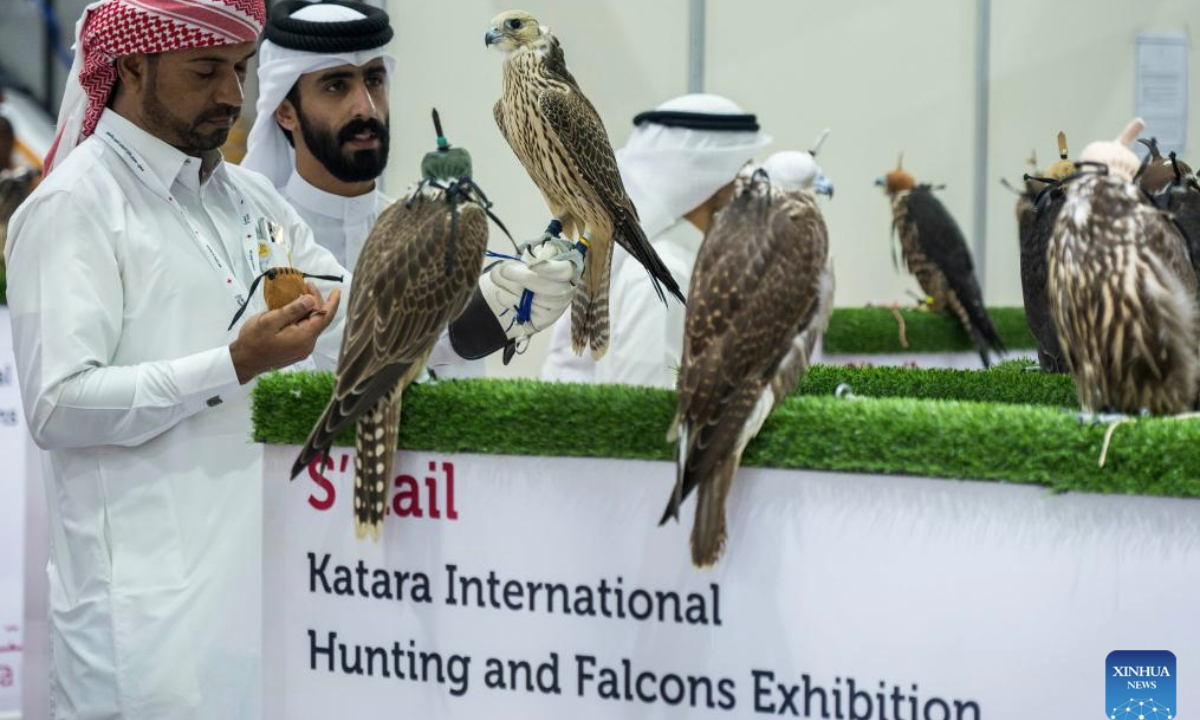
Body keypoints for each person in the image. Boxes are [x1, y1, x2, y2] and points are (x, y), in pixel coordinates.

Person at [4, 0, 346, 715]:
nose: (232, 95)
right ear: (131, 65)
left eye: (241, 70)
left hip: (264, 611)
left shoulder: (252, 201)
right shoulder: (76, 206)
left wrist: (494, 303)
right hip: (145, 640)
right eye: (206, 70)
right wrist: (231, 364)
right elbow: (57, 405)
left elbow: (353, 313)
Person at [243, 0, 576, 375]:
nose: (365, 108)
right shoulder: (254, 246)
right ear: (285, 111)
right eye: (336, 85)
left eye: (374, 80)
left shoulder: (437, 241)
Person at [541, 94, 772, 387]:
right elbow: (645, 408)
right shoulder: (663, 276)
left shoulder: (680, 263)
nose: (749, 185)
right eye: (742, 171)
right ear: (714, 179)